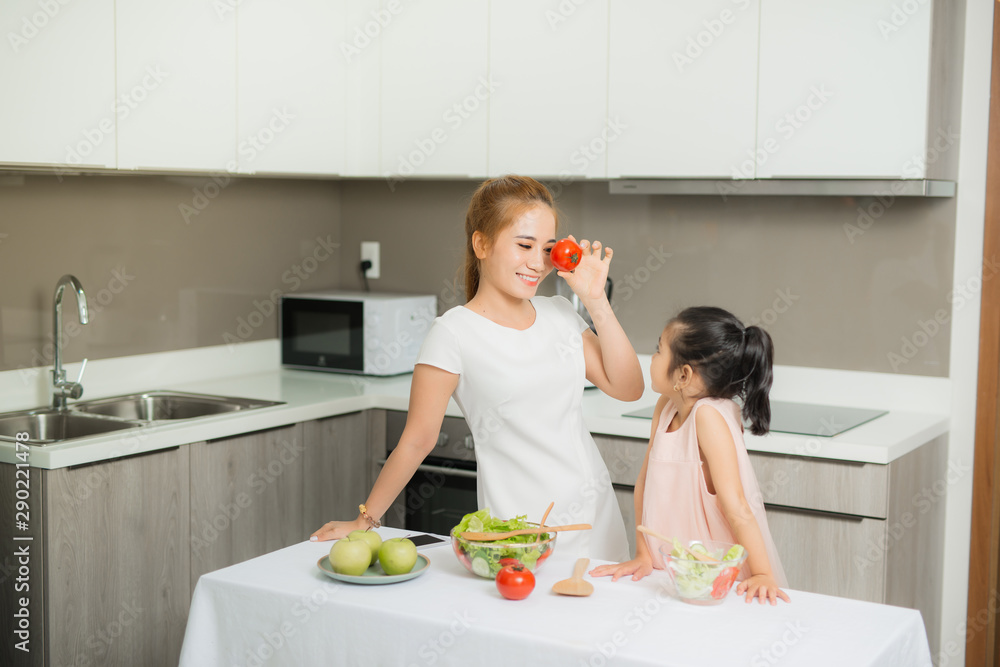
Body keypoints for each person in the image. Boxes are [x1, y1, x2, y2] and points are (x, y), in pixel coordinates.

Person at [310, 175, 644, 562]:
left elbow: (628, 388)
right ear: (481, 243)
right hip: (518, 530)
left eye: (547, 249)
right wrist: (364, 521)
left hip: (593, 517)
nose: (538, 263)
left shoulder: (561, 314)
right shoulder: (453, 333)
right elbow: (418, 440)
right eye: (524, 245)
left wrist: (596, 301)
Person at [590, 306, 790, 604]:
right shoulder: (666, 405)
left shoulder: (707, 416)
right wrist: (644, 554)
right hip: (677, 568)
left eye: (659, 350)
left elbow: (738, 506)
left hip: (719, 572)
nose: (653, 357)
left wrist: (762, 573)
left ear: (682, 375)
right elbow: (644, 483)